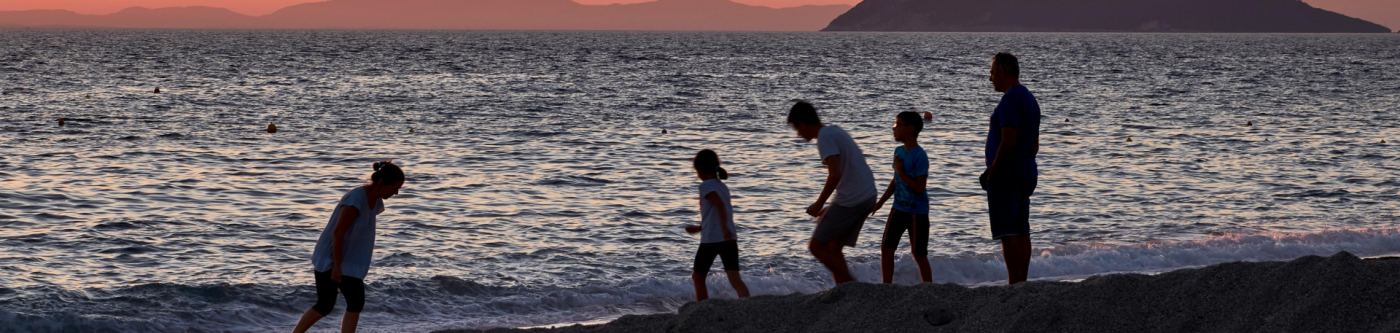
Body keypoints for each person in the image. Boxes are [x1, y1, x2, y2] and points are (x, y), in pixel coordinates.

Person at [292, 161, 406, 333]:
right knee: (325, 305)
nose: (396, 193)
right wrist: (336, 266)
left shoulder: (375, 200)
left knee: (356, 302)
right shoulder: (356, 199)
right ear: (382, 182)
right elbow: (338, 233)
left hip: (349, 258)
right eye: (394, 188)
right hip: (331, 257)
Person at [787, 101, 877, 284]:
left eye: (797, 127)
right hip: (866, 195)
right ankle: (844, 289)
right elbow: (849, 174)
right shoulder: (835, 131)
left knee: (816, 246)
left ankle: (853, 287)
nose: (798, 133)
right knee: (833, 246)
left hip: (855, 199)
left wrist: (820, 202)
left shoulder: (824, 137)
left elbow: (836, 173)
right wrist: (832, 205)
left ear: (803, 122)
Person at [982, 52, 1041, 285]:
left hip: (1008, 173)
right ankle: (1021, 282)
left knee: (1008, 233)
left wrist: (993, 172)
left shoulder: (1010, 100)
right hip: (1026, 170)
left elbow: (1008, 141)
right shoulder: (1030, 99)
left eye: (992, 73)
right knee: (1021, 230)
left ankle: (1014, 283)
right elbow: (1035, 144)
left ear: (1003, 72)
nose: (990, 79)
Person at [870, 111, 932, 284]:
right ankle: (886, 286)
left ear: (910, 129)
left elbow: (920, 188)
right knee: (886, 249)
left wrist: (900, 172)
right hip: (898, 208)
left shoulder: (920, 155)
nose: (893, 128)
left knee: (919, 254)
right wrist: (880, 203)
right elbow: (895, 181)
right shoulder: (898, 151)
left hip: (917, 212)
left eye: (898, 125)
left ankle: (928, 287)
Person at [683, 149, 751, 301]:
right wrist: (700, 228)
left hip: (712, 239)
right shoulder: (722, 186)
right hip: (729, 238)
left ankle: (702, 308)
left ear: (700, 169)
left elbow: (719, 204)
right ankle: (748, 305)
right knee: (735, 279)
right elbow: (716, 212)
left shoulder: (706, 186)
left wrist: (723, 229)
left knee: (698, 277)